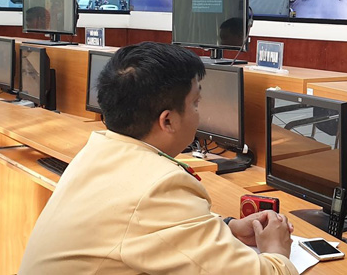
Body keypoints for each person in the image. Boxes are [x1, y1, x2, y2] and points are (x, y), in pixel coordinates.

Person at [20, 42, 298, 275]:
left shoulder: (102, 148)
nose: (199, 114)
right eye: (195, 103)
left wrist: (228, 228)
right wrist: (277, 251)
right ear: (167, 121)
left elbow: (147, 224)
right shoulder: (159, 185)